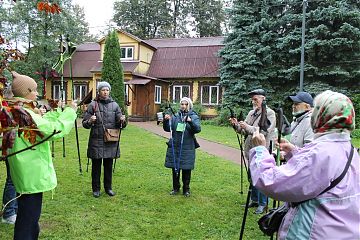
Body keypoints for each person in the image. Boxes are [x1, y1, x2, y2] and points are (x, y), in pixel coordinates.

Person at [250, 90, 360, 239]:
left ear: (321, 116)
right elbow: (320, 175)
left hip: (313, 233)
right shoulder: (349, 150)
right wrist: (295, 152)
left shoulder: (321, 152)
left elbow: (270, 182)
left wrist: (260, 150)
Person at [6, 71, 77, 240]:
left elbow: (42, 124)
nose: (37, 93)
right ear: (26, 92)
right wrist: (70, 112)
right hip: (31, 173)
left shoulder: (15, 110)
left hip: (24, 172)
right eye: (35, 90)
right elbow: (53, 130)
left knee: (28, 217)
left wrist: (56, 111)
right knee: (28, 219)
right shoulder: (25, 114)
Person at [229, 89, 276, 214]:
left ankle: (263, 203)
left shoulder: (270, 113)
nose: (253, 101)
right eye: (253, 99)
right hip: (251, 150)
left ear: (263, 99)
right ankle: (254, 200)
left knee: (261, 177)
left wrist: (247, 127)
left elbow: (264, 132)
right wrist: (236, 125)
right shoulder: (251, 113)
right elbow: (243, 131)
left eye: (256, 99)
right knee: (252, 176)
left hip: (263, 151)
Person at [82, 81, 125, 198]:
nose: (105, 92)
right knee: (96, 166)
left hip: (110, 140)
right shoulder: (93, 105)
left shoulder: (115, 105)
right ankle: (96, 189)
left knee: (108, 166)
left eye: (107, 90)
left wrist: (122, 120)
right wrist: (90, 120)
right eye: (103, 90)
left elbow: (121, 125)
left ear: (109, 91)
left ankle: (108, 188)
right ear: (99, 91)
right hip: (96, 140)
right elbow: (85, 124)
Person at [163, 97, 201, 197]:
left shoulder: (193, 116)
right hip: (175, 145)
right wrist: (166, 120)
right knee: (175, 167)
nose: (183, 106)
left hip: (187, 146)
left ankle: (186, 189)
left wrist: (190, 121)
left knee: (186, 168)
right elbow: (168, 129)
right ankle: (175, 188)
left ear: (189, 105)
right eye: (182, 104)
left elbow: (197, 129)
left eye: (186, 104)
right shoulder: (176, 116)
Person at [0, 100, 18, 224]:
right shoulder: (7, 106)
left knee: (16, 179)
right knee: (12, 180)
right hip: (11, 147)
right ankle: (9, 213)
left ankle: (13, 210)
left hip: (15, 147)